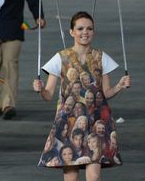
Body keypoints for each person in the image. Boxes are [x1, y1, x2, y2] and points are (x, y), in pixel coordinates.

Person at [33, 11, 131, 180]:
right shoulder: (60, 58)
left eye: (89, 28)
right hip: (69, 124)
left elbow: (106, 92)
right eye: (80, 28)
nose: (85, 32)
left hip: (97, 122)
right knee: (71, 178)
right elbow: (48, 95)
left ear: (93, 31)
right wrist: (40, 89)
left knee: (93, 177)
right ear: (72, 32)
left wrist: (120, 86)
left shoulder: (101, 57)